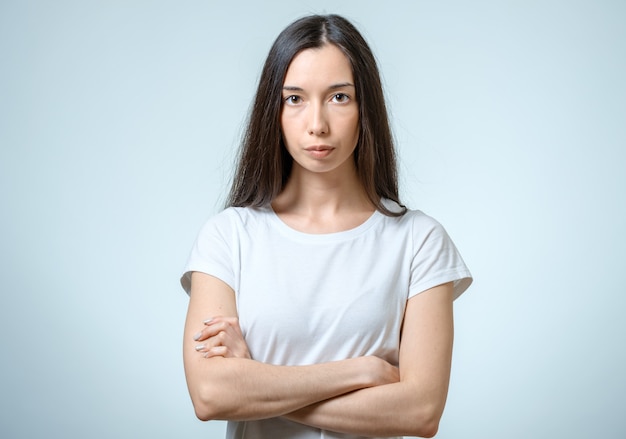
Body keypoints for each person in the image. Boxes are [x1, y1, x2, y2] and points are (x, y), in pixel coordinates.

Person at [180, 14, 472, 439]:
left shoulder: (419, 241)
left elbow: (421, 411)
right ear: (273, 111)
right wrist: (359, 372)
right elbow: (210, 395)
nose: (317, 123)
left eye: (339, 97)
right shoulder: (229, 236)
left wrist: (255, 380)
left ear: (364, 107)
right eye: (294, 99)